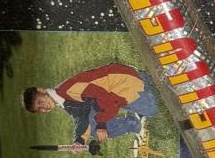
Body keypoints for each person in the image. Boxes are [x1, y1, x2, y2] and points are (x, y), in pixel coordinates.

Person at [22, 62, 156, 145]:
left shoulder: (66, 90)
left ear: (41, 90)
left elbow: (103, 95)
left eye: (40, 102)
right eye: (39, 109)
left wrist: (102, 123)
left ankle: (143, 84)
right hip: (116, 90)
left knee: (154, 109)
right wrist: (79, 141)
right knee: (93, 127)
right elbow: (81, 118)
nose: (44, 107)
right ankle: (134, 123)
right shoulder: (62, 99)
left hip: (126, 82)